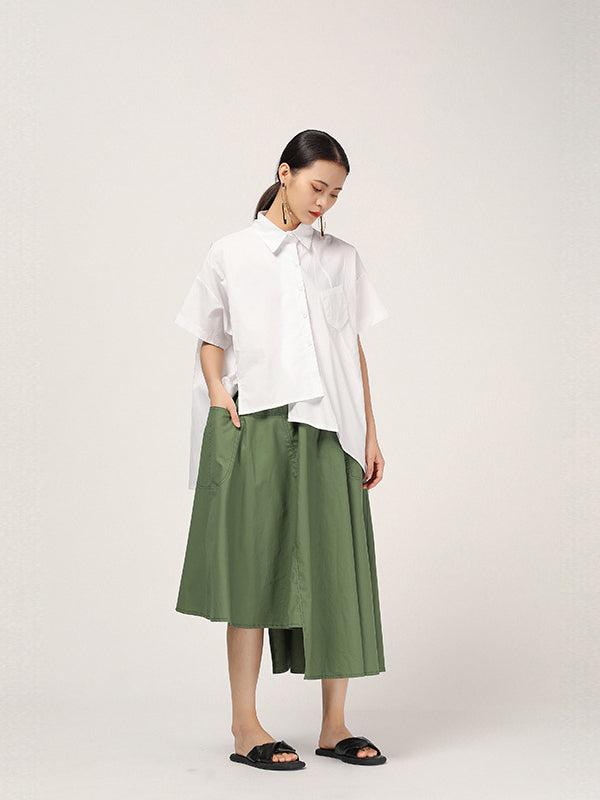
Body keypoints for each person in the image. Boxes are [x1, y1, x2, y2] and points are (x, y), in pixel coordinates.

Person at [174, 129, 390, 770]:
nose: (324, 202)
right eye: (317, 186)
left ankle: (334, 726)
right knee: (252, 570)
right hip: (259, 420)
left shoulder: (341, 257)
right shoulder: (231, 251)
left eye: (336, 194)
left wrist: (371, 430)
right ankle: (246, 727)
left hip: (332, 427)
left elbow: (351, 347)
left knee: (334, 569)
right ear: (284, 174)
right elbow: (210, 336)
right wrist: (220, 394)